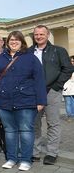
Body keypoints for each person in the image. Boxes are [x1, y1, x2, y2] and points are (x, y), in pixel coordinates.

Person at [0, 31, 47, 171]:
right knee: (9, 131)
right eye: (11, 40)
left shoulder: (31, 58)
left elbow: (39, 80)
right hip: (3, 101)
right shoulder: (0, 58)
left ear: (22, 42)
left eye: (16, 40)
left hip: (26, 100)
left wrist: (41, 101)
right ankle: (12, 158)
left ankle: (25, 159)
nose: (13, 42)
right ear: (7, 42)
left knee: (26, 130)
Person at [31, 25, 74, 165]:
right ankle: (35, 152)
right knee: (34, 123)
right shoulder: (28, 52)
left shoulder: (59, 50)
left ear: (48, 35)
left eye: (41, 34)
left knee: (53, 123)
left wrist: (57, 86)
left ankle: (51, 152)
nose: (38, 37)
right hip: (33, 93)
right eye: (36, 34)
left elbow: (67, 69)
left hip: (52, 92)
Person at [62, 56, 74, 121]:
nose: (72, 62)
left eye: (73, 61)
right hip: (67, 88)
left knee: (72, 103)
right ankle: (70, 116)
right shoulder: (65, 69)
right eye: (71, 61)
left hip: (73, 88)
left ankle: (72, 115)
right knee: (68, 103)